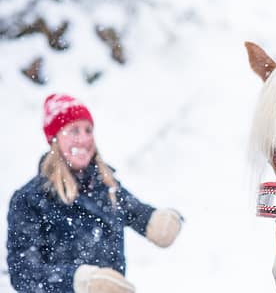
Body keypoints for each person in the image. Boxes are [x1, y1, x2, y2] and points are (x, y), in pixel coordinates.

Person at [7, 93, 183, 293]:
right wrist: (79, 281)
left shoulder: (104, 184)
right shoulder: (31, 199)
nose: (83, 139)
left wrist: (159, 220)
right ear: (55, 139)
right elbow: (23, 273)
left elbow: (138, 213)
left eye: (88, 130)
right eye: (73, 131)